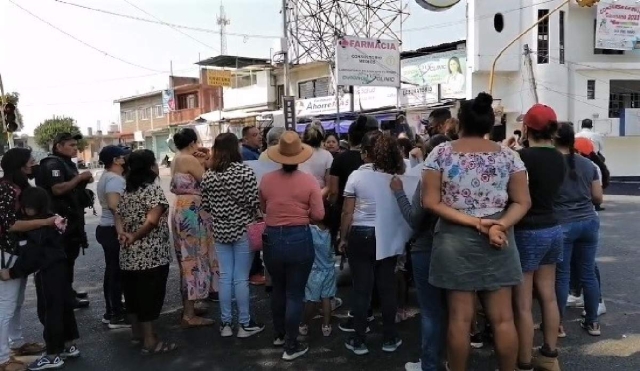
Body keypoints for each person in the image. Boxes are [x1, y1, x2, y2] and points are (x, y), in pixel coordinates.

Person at [422, 92, 530, 371]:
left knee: (459, 319)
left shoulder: (440, 153)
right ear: (489, 125)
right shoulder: (510, 157)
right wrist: (499, 225)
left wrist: (476, 224)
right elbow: (522, 202)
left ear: (459, 123)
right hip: (500, 238)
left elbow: (430, 202)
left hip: (454, 238)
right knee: (503, 319)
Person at [260, 131, 324, 361]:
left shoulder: (266, 180)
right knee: (295, 293)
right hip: (299, 237)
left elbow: (264, 208)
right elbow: (318, 214)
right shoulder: (309, 181)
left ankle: (279, 335)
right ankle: (291, 344)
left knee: (278, 289)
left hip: (272, 238)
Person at [339, 132, 405, 356]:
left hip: (360, 234)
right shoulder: (394, 175)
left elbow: (348, 212)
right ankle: (390, 337)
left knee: (361, 289)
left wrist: (343, 237)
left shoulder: (356, 176)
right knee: (387, 288)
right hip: (386, 235)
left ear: (365, 153)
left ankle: (359, 338)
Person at [1, 187, 80, 371]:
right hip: (61, 268)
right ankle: (69, 345)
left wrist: (11, 273)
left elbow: (33, 257)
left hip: (48, 272)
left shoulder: (39, 228)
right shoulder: (53, 219)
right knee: (64, 308)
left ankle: (53, 355)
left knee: (49, 312)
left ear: (30, 207)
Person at [512, 104, 565, 371]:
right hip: (553, 228)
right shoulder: (559, 156)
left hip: (527, 231)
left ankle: (523, 361)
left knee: (522, 303)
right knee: (548, 295)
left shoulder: (522, 158)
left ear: (527, 128)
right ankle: (550, 355)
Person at [201, 133, 265, 339]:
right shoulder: (244, 171)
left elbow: (206, 205)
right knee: (241, 278)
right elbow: (253, 202)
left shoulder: (209, 175)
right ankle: (245, 323)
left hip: (221, 230)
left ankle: (226, 323)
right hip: (243, 229)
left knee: (226, 277)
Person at [396, 134, 450, 371]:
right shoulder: (461, 177)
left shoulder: (428, 178)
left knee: (430, 310)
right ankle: (450, 360)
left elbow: (415, 219)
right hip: (454, 248)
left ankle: (429, 364)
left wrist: (399, 193)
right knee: (452, 308)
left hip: (426, 248)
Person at [117, 149, 176, 355]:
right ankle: (150, 341)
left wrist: (123, 234)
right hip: (151, 254)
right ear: (151, 166)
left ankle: (137, 334)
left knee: (132, 296)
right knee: (149, 297)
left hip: (128, 255)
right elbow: (153, 219)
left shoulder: (128, 191)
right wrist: (135, 235)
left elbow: (118, 215)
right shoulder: (152, 190)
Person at [0, 148, 52, 371]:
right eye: (30, 160)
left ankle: (17, 344)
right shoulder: (6, 189)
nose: (34, 163)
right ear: (20, 165)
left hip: (16, 252)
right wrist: (46, 222)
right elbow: (10, 225)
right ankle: (2, 359)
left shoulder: (17, 187)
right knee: (7, 305)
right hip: (7, 252)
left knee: (16, 302)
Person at [554, 123, 603, 337]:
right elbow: (598, 198)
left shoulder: (551, 165)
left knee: (562, 275)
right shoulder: (589, 165)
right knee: (588, 274)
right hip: (589, 223)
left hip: (563, 223)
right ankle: (592, 322)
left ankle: (557, 324)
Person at [36, 132, 92, 309]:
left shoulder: (65, 163)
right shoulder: (52, 164)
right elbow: (58, 189)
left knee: (70, 259)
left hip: (71, 220)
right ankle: (65, 298)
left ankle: (67, 291)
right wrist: (80, 178)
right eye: (71, 145)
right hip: (60, 223)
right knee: (63, 260)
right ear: (58, 146)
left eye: (76, 145)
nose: (76, 148)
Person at [169, 128, 217, 328]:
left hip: (183, 209)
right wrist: (206, 159)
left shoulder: (177, 158)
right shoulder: (188, 159)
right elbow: (207, 180)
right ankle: (189, 314)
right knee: (193, 260)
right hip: (192, 212)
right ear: (192, 142)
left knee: (188, 259)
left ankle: (190, 305)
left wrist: (204, 157)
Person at [95, 145, 131, 330]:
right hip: (112, 229)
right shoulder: (115, 180)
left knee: (113, 272)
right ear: (116, 160)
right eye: (123, 156)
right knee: (115, 273)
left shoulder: (109, 177)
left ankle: (114, 309)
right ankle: (114, 314)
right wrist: (123, 229)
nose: (126, 158)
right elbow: (114, 206)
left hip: (108, 228)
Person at [298, 221, 337, 338]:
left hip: (315, 271)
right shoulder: (331, 231)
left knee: (311, 300)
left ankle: (304, 323)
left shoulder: (311, 230)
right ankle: (326, 326)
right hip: (329, 270)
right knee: (326, 298)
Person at [241, 126, 266, 286]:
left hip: (255, 199)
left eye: (259, 134)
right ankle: (253, 271)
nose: (259, 137)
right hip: (251, 202)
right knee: (254, 236)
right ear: (245, 139)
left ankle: (256, 269)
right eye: (254, 135)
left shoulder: (255, 153)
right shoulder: (247, 154)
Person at [300, 123, 333, 196]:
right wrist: (316, 197)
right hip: (320, 196)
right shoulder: (327, 155)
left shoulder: (297, 154)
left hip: (300, 197)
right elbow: (329, 186)